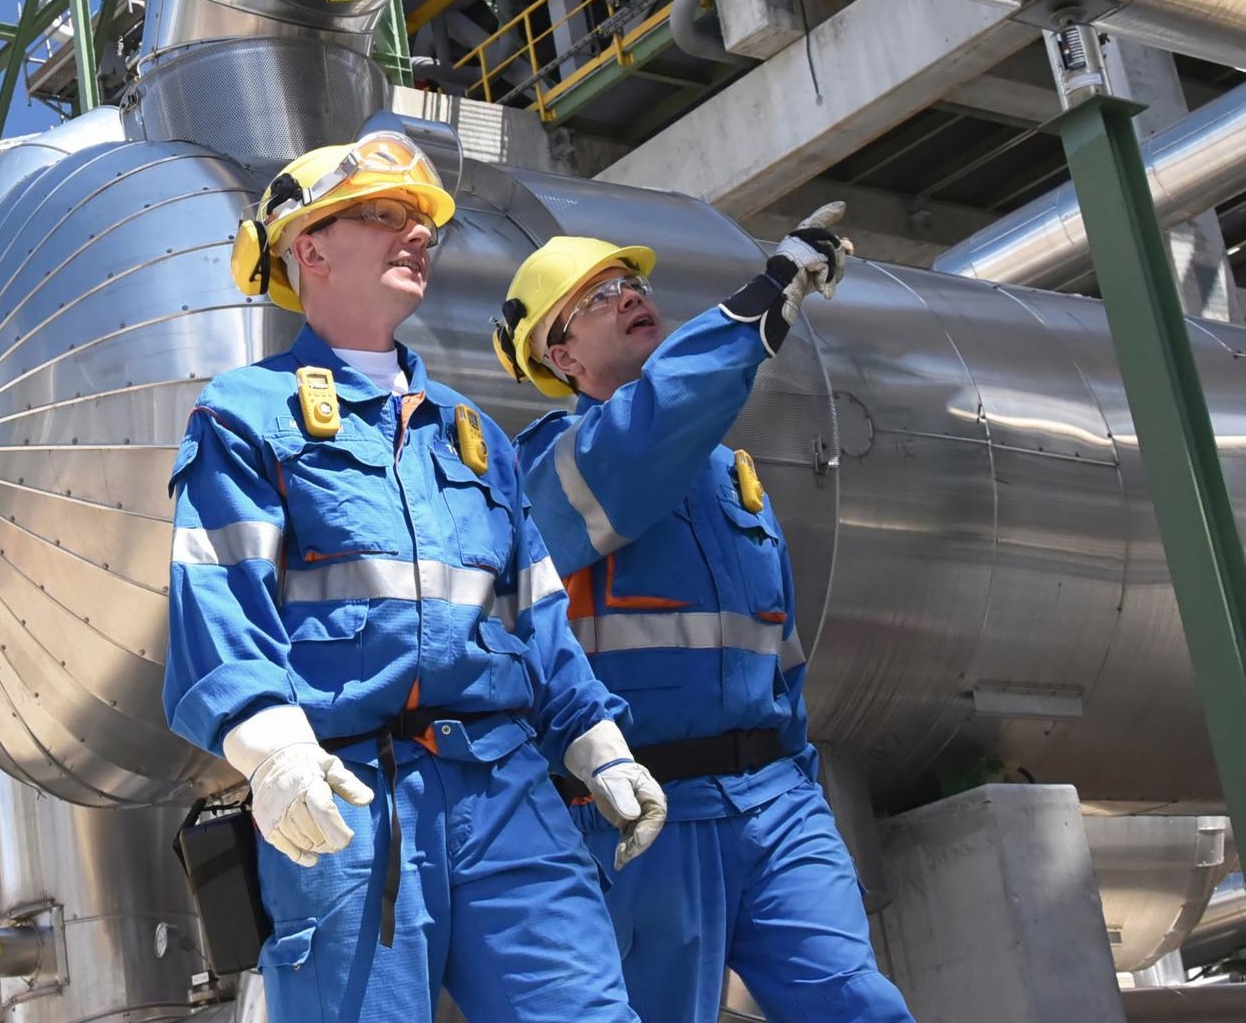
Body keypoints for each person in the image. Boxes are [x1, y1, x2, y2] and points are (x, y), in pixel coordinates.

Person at [165, 130, 667, 1023]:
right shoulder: (246, 415)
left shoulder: (473, 434)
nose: (416, 236)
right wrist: (273, 750)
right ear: (308, 249)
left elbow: (533, 612)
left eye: (423, 223)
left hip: (507, 790)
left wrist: (599, 744)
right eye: (385, 216)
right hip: (349, 796)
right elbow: (219, 599)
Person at [495, 213, 916, 1023]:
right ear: (562, 356)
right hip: (644, 816)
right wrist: (765, 299)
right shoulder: (550, 470)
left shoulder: (732, 479)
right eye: (597, 299)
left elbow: (778, 653)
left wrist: (800, 783)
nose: (628, 300)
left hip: (773, 801)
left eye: (632, 286)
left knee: (857, 1002)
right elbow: (651, 429)